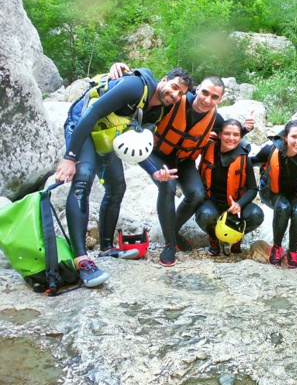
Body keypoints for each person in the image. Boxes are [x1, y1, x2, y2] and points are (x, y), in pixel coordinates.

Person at [55, 66, 193, 286]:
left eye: (181, 93)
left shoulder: (157, 111)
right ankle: (81, 259)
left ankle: (107, 249)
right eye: (174, 87)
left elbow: (137, 144)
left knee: (117, 186)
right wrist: (70, 157)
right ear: (164, 79)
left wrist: (155, 172)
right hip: (82, 124)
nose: (175, 94)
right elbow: (91, 113)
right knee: (84, 178)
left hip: (107, 134)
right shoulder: (135, 86)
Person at [108, 63, 254, 267]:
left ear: (220, 100)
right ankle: (169, 244)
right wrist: (122, 74)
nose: (207, 100)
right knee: (167, 186)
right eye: (204, 93)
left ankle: (171, 231)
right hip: (157, 154)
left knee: (196, 194)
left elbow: (229, 136)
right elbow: (149, 94)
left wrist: (244, 130)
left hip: (184, 160)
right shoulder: (174, 101)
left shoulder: (215, 118)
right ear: (197, 90)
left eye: (214, 97)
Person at [252, 119, 297, 268]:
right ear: (286, 137)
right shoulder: (270, 149)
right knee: (283, 207)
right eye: (294, 137)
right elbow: (250, 162)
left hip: (294, 190)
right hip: (271, 191)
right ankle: (276, 246)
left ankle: (293, 251)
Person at [194, 119, 264, 255]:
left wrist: (239, 204)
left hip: (235, 205)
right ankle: (214, 237)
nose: (231, 138)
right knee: (205, 215)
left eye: (236, 135)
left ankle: (236, 235)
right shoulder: (208, 148)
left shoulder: (244, 158)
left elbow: (252, 189)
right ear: (219, 135)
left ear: (240, 136)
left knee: (256, 215)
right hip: (212, 202)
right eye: (227, 134)